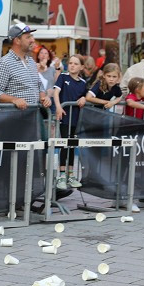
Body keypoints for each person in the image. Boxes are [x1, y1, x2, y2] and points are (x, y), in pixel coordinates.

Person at [0, 24, 51, 109]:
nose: (32, 40)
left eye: (31, 37)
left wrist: (44, 97)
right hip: (15, 117)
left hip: (33, 115)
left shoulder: (31, 61)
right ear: (17, 41)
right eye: (28, 37)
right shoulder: (5, 63)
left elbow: (39, 85)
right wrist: (14, 100)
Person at [51, 54, 89, 190]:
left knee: (72, 146)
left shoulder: (83, 83)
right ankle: (61, 175)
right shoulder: (63, 77)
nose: (72, 65)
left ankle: (71, 175)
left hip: (76, 118)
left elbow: (86, 96)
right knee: (64, 144)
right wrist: (59, 107)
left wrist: (84, 98)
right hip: (65, 116)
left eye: (75, 64)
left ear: (81, 67)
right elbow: (56, 93)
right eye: (70, 63)